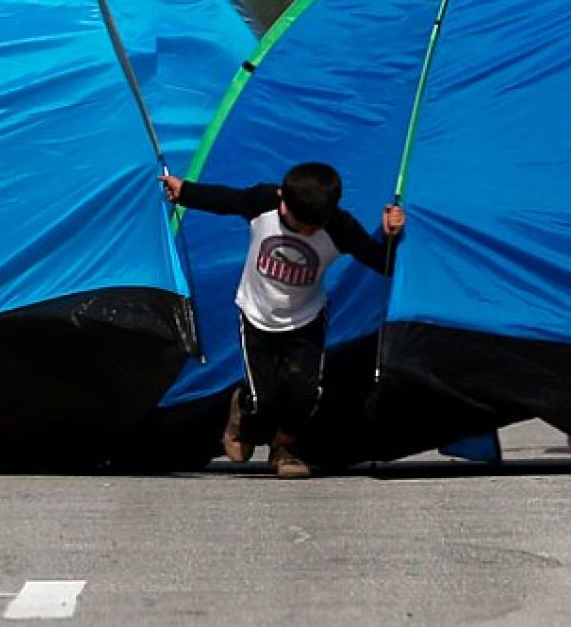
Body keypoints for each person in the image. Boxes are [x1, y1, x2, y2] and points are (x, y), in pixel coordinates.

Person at [159, 163, 406, 479]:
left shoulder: (339, 227)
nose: (307, 233)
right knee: (263, 398)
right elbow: (227, 200)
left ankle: (283, 449)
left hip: (306, 321)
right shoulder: (263, 202)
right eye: (300, 225)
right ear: (283, 201)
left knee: (304, 394)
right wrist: (186, 192)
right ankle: (242, 413)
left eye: (315, 227)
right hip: (257, 315)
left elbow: (381, 263)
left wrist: (390, 236)